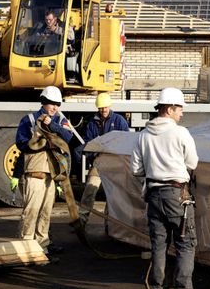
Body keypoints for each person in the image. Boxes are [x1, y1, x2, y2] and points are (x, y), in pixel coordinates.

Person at [131, 87, 204, 289]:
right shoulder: (181, 133)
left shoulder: (143, 136)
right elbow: (192, 163)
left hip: (154, 195)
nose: (181, 113)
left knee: (159, 244)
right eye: (180, 109)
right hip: (177, 195)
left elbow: (136, 169)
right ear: (170, 108)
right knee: (185, 243)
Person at [15, 85, 74, 253]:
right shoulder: (30, 120)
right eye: (52, 104)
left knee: (46, 212)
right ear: (43, 103)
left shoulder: (60, 121)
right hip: (34, 173)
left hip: (52, 175)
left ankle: (43, 246)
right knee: (31, 211)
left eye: (58, 104)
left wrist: (54, 127)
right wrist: (43, 143)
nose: (55, 107)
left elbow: (70, 139)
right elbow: (21, 144)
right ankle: (26, 246)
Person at [78, 92, 130, 224]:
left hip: (114, 163)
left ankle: (111, 224)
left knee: (113, 195)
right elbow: (88, 143)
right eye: (101, 108)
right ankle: (82, 220)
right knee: (90, 189)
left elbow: (126, 142)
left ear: (109, 106)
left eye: (105, 107)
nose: (103, 110)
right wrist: (93, 157)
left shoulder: (119, 121)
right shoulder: (92, 123)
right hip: (99, 162)